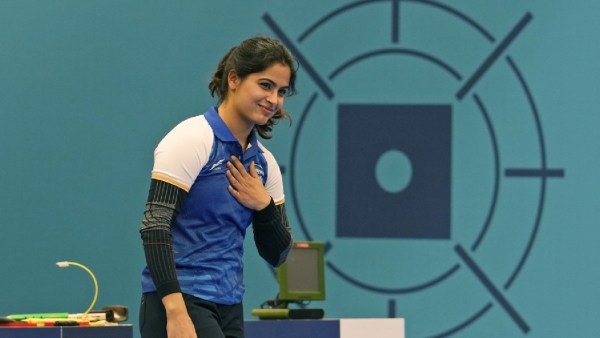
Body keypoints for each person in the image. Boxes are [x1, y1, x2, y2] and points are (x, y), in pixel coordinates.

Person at [138, 36, 296, 338]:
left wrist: (264, 207)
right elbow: (155, 226)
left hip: (230, 306)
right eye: (265, 85)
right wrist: (176, 312)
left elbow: (278, 254)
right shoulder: (191, 138)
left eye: (281, 91)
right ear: (234, 79)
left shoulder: (265, 164)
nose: (274, 99)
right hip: (179, 301)